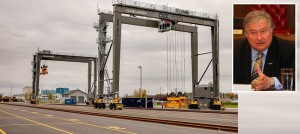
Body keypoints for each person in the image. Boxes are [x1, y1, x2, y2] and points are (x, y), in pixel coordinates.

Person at [234, 10, 295, 91]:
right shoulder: (234, 49)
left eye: (263, 31)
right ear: (246, 34)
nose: (259, 37)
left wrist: (271, 82)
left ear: (272, 30)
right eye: (253, 32)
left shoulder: (288, 49)